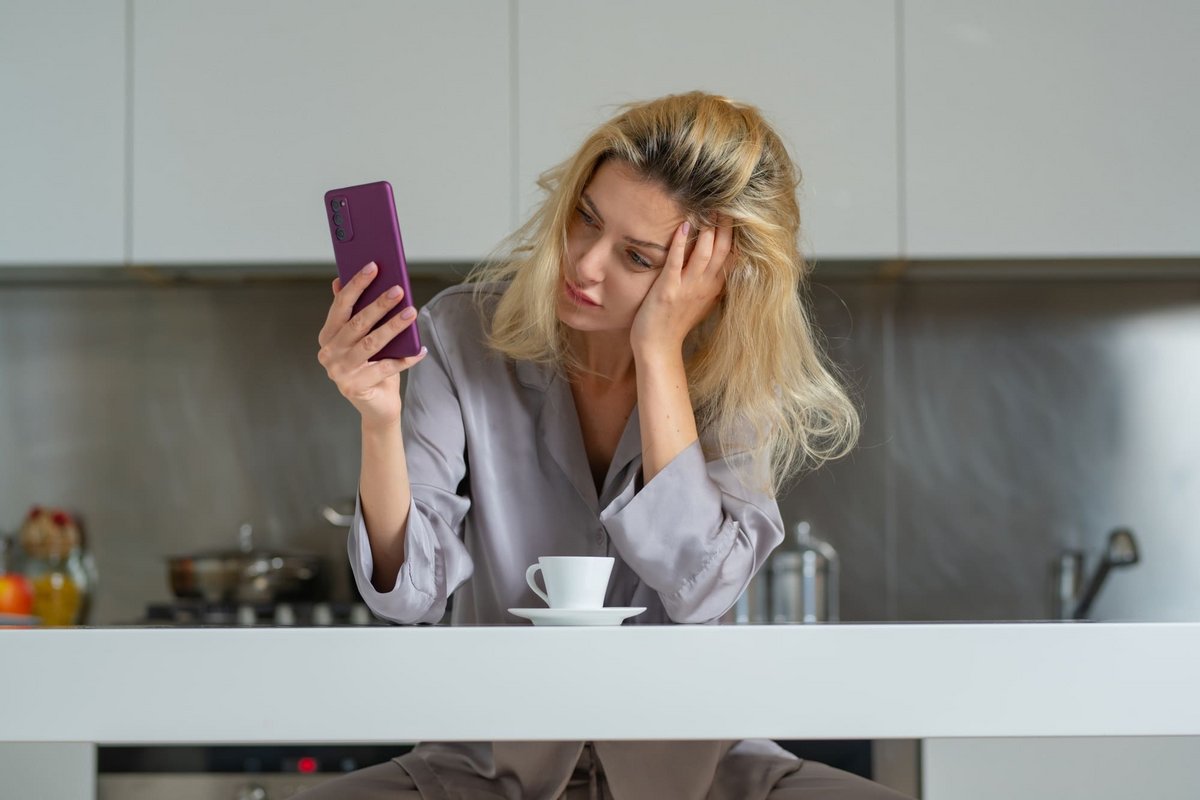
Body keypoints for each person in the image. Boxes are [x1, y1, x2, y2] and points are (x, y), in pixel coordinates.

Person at [304, 91, 913, 799]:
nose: (586, 264)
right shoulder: (461, 332)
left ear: (711, 283)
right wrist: (377, 417)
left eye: (637, 256)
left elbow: (700, 586)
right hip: (483, 769)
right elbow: (408, 597)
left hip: (697, 768)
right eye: (586, 218)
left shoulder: (730, 370)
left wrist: (659, 352)